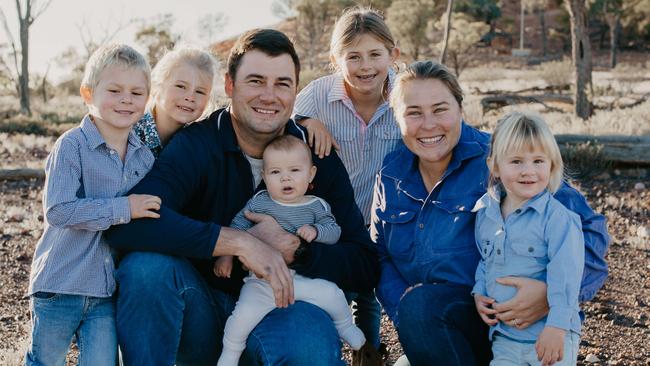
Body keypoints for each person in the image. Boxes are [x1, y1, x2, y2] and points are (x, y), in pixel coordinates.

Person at [104, 29, 378, 366]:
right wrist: (235, 242)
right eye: (256, 81)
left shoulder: (315, 155)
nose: (269, 95)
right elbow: (126, 225)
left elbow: (365, 265)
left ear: (295, 92)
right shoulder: (197, 145)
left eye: (282, 84)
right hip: (201, 310)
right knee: (145, 270)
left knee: (309, 341)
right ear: (230, 85)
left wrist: (297, 249)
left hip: (283, 306)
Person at [370, 60, 609, 366]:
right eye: (413, 113)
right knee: (418, 308)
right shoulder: (392, 174)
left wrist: (549, 295)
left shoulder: (501, 161)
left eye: (440, 109)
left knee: (421, 307)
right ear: (397, 119)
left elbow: (588, 232)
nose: (428, 124)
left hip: (514, 326)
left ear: (461, 110)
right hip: (438, 325)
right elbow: (380, 255)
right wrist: (408, 317)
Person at [25, 44, 159, 366]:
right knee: (45, 361)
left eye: (136, 92)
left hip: (105, 292)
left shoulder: (145, 157)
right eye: (114, 90)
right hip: (60, 283)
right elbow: (58, 210)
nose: (126, 99)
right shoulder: (71, 146)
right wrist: (123, 208)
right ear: (88, 93)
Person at [293, 7, 401, 350]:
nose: (365, 66)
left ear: (393, 54)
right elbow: (289, 118)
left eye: (375, 54)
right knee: (343, 287)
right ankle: (334, 347)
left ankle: (368, 351)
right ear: (335, 59)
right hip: (334, 218)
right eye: (353, 56)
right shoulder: (319, 94)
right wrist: (308, 122)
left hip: (385, 215)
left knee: (370, 291)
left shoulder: (405, 94)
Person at [215, 135, 365, 366]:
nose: (285, 177)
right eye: (275, 172)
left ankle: (346, 327)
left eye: (295, 170)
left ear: (311, 174)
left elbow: (333, 231)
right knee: (240, 318)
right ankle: (230, 354)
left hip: (304, 279)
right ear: (264, 176)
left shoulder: (316, 205)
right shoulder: (259, 202)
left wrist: (316, 231)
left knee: (333, 294)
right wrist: (225, 256)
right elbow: (236, 227)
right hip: (262, 282)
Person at [472, 111, 584, 366]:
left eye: (538, 161)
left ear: (552, 165)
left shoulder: (557, 219)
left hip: (551, 335)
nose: (528, 171)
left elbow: (567, 277)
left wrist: (557, 328)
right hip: (505, 337)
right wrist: (480, 292)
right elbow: (484, 260)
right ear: (495, 166)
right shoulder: (486, 213)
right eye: (517, 161)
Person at [133, 47, 219, 158]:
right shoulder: (130, 134)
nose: (190, 97)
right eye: (181, 86)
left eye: (200, 91)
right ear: (157, 85)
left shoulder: (197, 142)